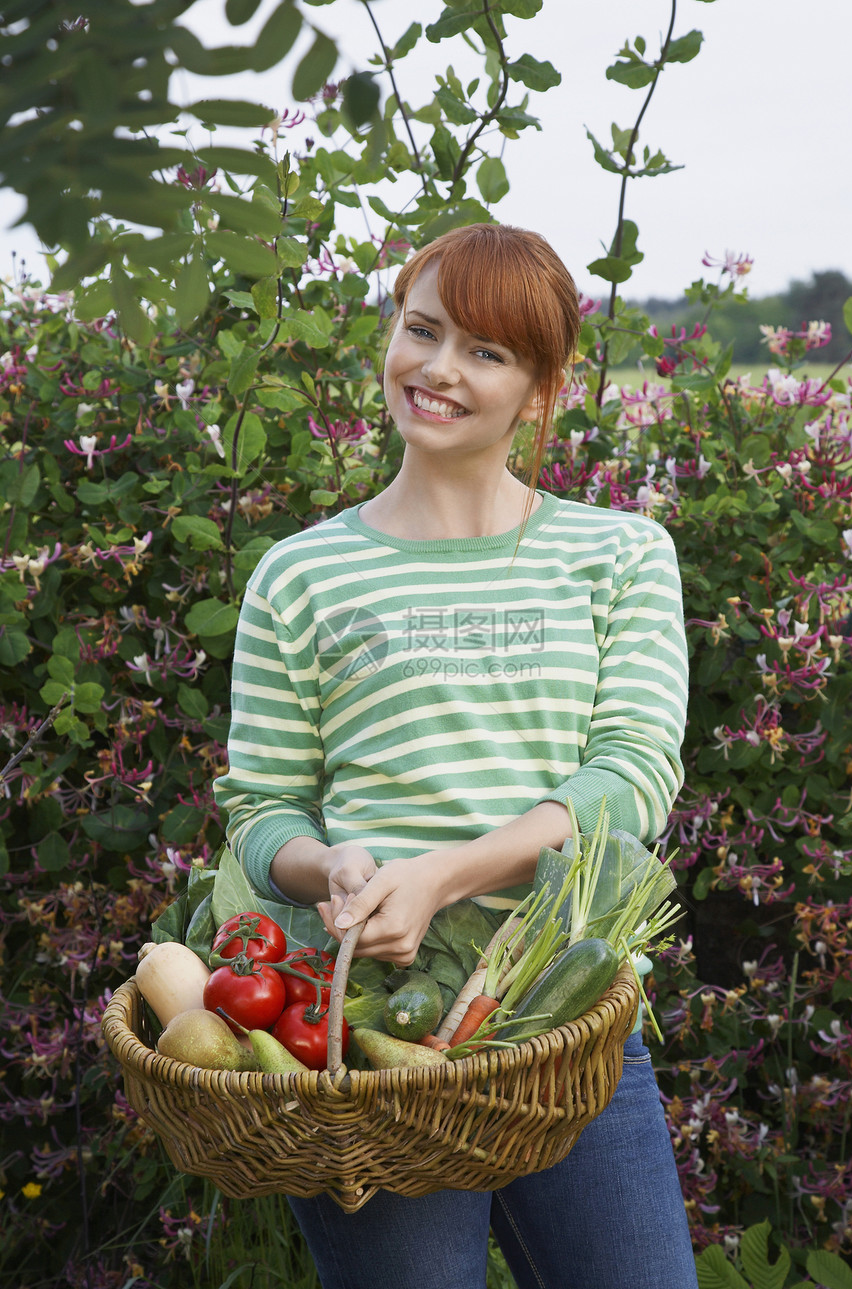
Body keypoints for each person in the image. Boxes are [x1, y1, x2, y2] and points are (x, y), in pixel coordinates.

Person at [213, 223, 697, 1289]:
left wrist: (442, 873)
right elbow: (261, 810)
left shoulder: (616, 554)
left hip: (567, 1018)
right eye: (421, 329)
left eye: (484, 351)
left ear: (538, 389)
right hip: (367, 1031)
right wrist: (329, 864)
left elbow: (628, 779)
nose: (436, 369)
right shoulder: (300, 575)